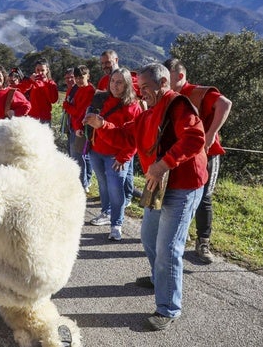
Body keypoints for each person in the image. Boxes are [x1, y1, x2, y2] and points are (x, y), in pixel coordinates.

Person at [83, 62, 207, 331]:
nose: (142, 94)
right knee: (148, 237)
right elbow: (127, 136)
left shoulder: (178, 105)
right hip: (158, 184)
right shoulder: (147, 113)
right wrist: (102, 125)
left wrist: (164, 163)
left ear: (164, 83)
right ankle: (158, 277)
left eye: (147, 88)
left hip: (183, 185)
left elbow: (195, 138)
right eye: (140, 89)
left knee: (168, 249)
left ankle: (168, 308)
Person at [164, 58, 232, 263]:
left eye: (168, 77)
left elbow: (225, 104)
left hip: (207, 153)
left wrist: (211, 135)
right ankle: (174, 237)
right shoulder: (170, 95)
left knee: (204, 197)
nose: (165, 81)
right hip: (181, 154)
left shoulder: (198, 92)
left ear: (180, 76)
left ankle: (203, 242)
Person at [88, 68, 142, 241]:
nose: (115, 85)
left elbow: (134, 139)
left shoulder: (133, 106)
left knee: (116, 191)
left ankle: (116, 224)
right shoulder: (103, 99)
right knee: (103, 186)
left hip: (116, 156)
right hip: (97, 151)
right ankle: (106, 213)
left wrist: (124, 158)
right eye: (113, 81)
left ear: (127, 84)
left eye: (119, 82)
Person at [62, 66, 95, 193]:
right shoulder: (77, 89)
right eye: (77, 78)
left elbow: (79, 112)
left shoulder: (89, 91)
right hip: (75, 127)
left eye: (81, 77)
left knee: (78, 157)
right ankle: (84, 181)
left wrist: (66, 106)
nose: (79, 80)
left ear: (88, 76)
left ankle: (82, 184)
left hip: (80, 129)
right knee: (80, 156)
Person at [0, 66, 31, 141]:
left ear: (4, 77)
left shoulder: (12, 92)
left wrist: (15, 112)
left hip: (8, 135)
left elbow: (27, 106)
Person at [23, 58, 59, 125]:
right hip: (31, 117)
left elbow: (53, 100)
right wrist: (30, 81)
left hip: (44, 118)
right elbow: (22, 90)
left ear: (47, 70)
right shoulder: (31, 82)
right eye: (38, 70)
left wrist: (46, 83)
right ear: (35, 69)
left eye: (42, 70)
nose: (40, 72)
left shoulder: (51, 83)